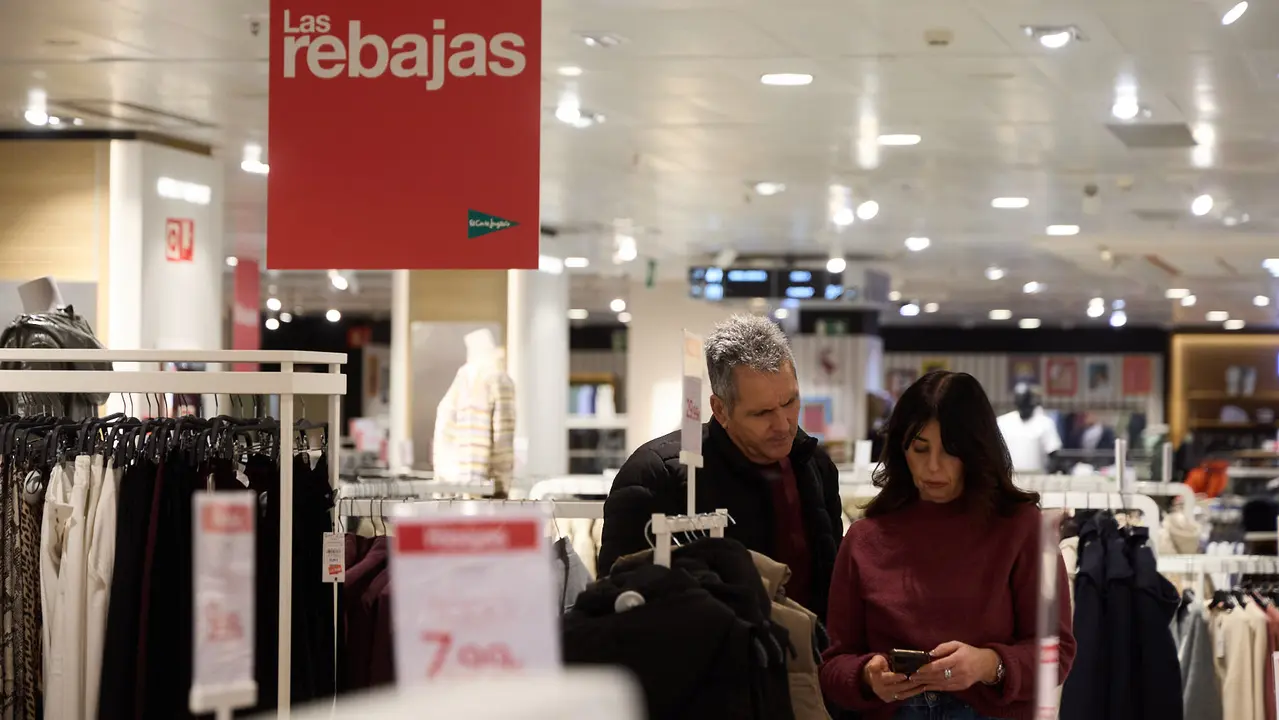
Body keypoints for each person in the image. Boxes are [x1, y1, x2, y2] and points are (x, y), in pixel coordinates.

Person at [820, 370, 1075, 720]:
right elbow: (832, 664)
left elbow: (1055, 654)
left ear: (976, 451)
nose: (933, 467)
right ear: (901, 448)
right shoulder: (865, 540)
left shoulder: (1024, 530)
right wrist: (867, 676)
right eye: (920, 448)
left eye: (951, 451)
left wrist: (989, 664)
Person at [597, 314, 843, 619]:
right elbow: (616, 602)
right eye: (762, 412)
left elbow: (832, 583)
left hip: (808, 659)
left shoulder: (815, 466)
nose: (783, 424)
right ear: (720, 409)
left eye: (790, 402)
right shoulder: (656, 476)